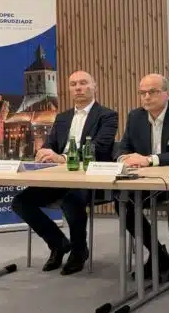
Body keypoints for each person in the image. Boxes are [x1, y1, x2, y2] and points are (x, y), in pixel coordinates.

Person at [12, 70, 118, 275]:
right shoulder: (62, 117)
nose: (78, 88)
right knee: (20, 202)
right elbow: (51, 144)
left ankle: (79, 250)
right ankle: (58, 243)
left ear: (94, 86)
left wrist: (63, 158)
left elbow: (100, 148)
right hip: (59, 178)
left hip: (90, 178)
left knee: (71, 200)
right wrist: (44, 152)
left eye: (83, 83)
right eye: (73, 84)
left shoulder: (107, 115)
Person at [116, 73, 169, 283]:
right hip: (146, 182)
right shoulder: (135, 117)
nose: (146, 97)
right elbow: (123, 147)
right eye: (142, 92)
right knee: (122, 201)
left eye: (152, 92)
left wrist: (150, 160)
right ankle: (157, 253)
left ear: (167, 94)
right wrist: (124, 158)